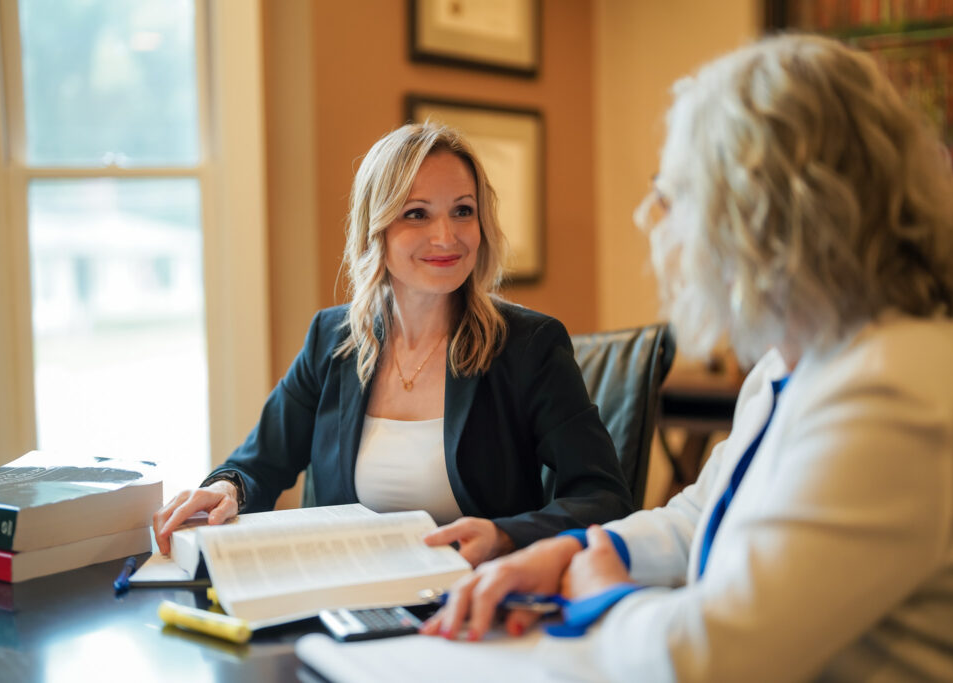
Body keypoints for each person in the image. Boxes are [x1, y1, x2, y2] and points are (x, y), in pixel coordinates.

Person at [422, 34, 953, 681]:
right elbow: (705, 514)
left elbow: (714, 658)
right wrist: (575, 547)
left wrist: (606, 597)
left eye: (674, 193)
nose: (648, 217)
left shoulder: (896, 389)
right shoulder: (796, 360)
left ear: (765, 212)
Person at [153, 123, 634, 567]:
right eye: (416, 214)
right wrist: (226, 489)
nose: (445, 236)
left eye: (462, 211)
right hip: (347, 593)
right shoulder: (332, 339)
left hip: (475, 597)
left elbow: (603, 495)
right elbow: (259, 462)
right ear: (375, 228)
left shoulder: (529, 346)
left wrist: (506, 536)